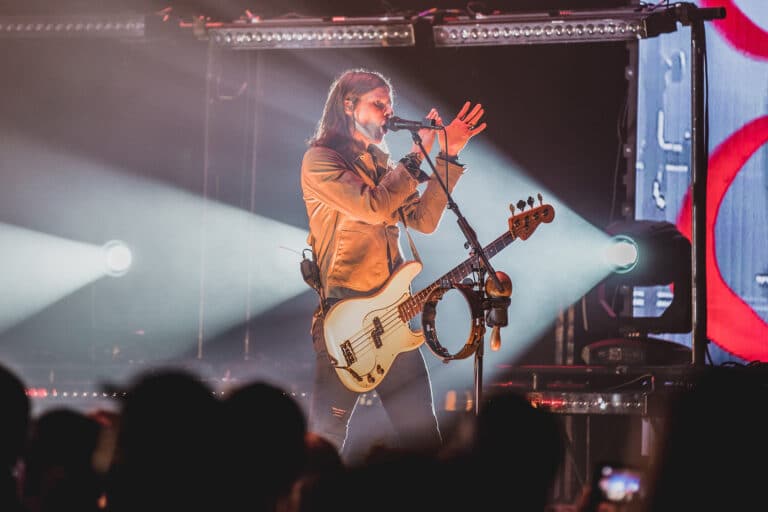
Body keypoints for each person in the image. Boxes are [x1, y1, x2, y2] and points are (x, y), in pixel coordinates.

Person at [300, 68, 486, 459]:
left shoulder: (383, 166)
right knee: (325, 442)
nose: (388, 112)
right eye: (379, 103)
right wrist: (419, 153)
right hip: (345, 321)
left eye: (390, 104)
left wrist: (449, 154)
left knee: (423, 439)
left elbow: (424, 220)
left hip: (393, 320)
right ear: (349, 106)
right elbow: (373, 207)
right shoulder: (321, 161)